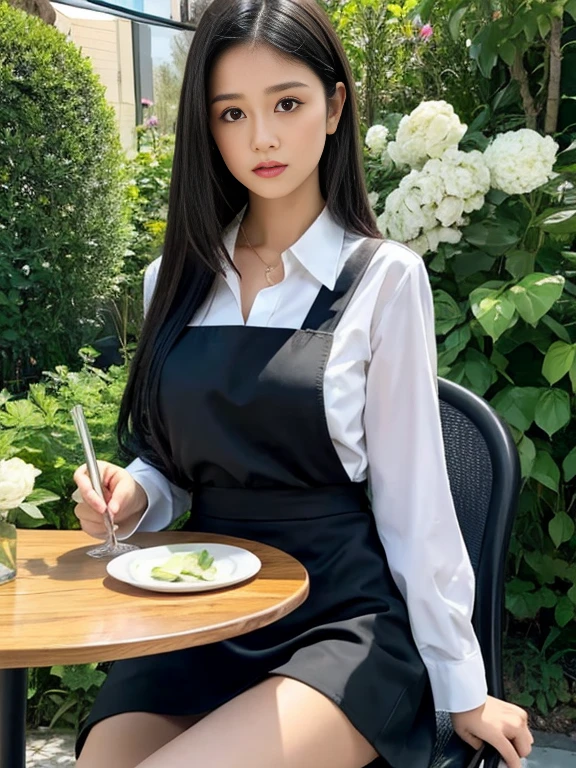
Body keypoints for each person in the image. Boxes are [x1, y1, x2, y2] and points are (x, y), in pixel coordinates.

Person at [72, 1, 534, 766]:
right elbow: (165, 464)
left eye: (286, 103)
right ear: (206, 127)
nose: (261, 137)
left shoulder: (383, 279)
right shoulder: (173, 281)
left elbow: (415, 498)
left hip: (342, 622)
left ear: (334, 107)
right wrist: (135, 497)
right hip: (202, 613)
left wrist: (463, 686)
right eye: (231, 113)